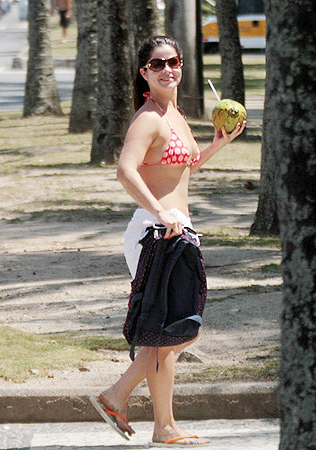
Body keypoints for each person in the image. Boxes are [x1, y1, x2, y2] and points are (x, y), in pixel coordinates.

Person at [89, 36, 245, 447]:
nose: (166, 69)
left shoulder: (175, 113)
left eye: (172, 62)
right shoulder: (149, 119)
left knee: (176, 332)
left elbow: (181, 169)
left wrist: (215, 145)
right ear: (144, 73)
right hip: (156, 232)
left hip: (177, 230)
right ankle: (154, 420)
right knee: (173, 332)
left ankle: (124, 399)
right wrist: (160, 213)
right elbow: (125, 171)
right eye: (156, 64)